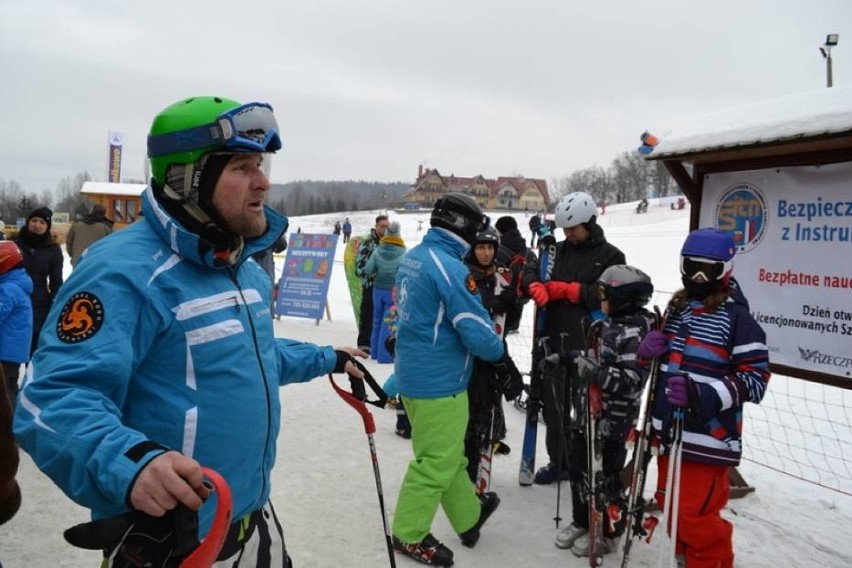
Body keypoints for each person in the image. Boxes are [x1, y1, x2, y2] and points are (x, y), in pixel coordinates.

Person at [14, 95, 366, 568]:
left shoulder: (240, 266)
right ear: (186, 181)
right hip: (172, 545)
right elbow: (51, 399)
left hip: (250, 521)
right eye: (242, 167)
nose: (264, 181)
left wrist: (329, 358)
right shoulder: (124, 272)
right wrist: (132, 462)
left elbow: (252, 355)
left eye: (260, 164)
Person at [637, 228, 770, 568]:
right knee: (672, 510)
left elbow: (755, 378)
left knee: (695, 519)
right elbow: (667, 363)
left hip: (708, 438)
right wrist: (648, 350)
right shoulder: (677, 309)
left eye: (708, 269)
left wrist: (706, 395)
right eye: (691, 266)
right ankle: (685, 560)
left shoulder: (737, 318)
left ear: (726, 271)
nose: (698, 276)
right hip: (669, 432)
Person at [391, 193, 511, 566]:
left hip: (413, 375)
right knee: (436, 463)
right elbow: (474, 328)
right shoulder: (451, 269)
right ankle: (409, 534)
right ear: (464, 228)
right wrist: (500, 355)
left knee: (449, 457)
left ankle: (469, 516)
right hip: (439, 384)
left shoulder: (413, 258)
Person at [553, 264, 656, 557]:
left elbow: (632, 381)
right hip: (588, 412)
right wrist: (565, 357)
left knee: (606, 476)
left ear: (623, 298)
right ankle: (582, 520)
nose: (599, 298)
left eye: (604, 293)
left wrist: (595, 373)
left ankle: (609, 531)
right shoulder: (605, 324)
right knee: (579, 467)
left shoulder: (637, 333)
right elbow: (592, 357)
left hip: (614, 418)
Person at [524, 191, 626, 485]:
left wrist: (570, 291)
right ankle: (561, 462)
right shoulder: (556, 251)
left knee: (587, 411)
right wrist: (534, 285)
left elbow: (611, 295)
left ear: (590, 223)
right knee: (555, 409)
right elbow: (534, 267)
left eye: (574, 229)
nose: (569, 234)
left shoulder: (611, 256)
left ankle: (589, 466)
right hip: (553, 340)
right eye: (565, 229)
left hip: (589, 344)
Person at [462, 227, 523, 482]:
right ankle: (464, 468)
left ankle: (475, 470)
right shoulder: (465, 275)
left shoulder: (500, 278)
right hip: (466, 357)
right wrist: (488, 306)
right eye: (480, 248)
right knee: (465, 415)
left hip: (493, 355)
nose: (485, 253)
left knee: (484, 412)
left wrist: (514, 301)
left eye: (490, 248)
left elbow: (508, 323)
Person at [14, 206, 64, 355]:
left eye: (42, 222)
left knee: (34, 348)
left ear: (47, 226)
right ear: (28, 222)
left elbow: (56, 280)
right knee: (11, 346)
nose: (37, 225)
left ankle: (32, 377)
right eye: (34, 220)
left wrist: (54, 303)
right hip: (13, 300)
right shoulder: (14, 244)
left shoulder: (53, 249)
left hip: (39, 305)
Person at [363, 220, 406, 363]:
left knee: (376, 321)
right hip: (393, 292)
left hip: (377, 290)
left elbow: (368, 270)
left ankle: (374, 352)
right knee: (388, 323)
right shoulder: (404, 253)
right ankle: (385, 356)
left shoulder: (378, 250)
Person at [0, 241, 32, 406]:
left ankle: (10, 427)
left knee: (5, 394)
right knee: (8, 390)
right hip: (11, 352)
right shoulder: (15, 285)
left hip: (5, 352)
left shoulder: (9, 289)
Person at [494, 215, 535, 335]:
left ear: (501, 230)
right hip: (523, 293)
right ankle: (514, 325)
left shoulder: (500, 250)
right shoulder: (527, 250)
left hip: (504, 298)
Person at [354, 214, 389, 354]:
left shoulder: (390, 243)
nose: (385, 229)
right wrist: (374, 273)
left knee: (385, 316)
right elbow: (359, 267)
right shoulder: (368, 243)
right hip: (371, 285)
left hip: (387, 286)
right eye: (382, 226)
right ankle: (364, 344)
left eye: (387, 226)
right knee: (367, 314)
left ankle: (381, 344)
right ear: (376, 226)